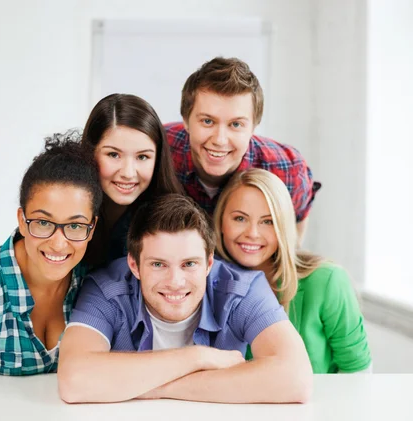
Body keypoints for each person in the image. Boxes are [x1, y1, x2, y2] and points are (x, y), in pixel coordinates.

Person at [57, 194, 312, 404]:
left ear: (209, 263)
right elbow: (73, 380)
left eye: (189, 264)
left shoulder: (243, 290)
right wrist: (197, 357)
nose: (175, 282)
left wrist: (151, 388)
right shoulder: (106, 288)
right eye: (158, 264)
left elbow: (296, 378)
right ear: (134, 265)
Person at [0, 133, 103, 375]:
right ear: (22, 222)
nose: (59, 244)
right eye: (43, 223)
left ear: (92, 229)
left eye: (75, 226)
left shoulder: (96, 284)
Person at [213, 168, 372, 374]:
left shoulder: (326, 281)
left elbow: (357, 372)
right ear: (221, 222)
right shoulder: (205, 284)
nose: (252, 233)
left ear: (284, 226)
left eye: (267, 222)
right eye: (240, 218)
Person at [165, 57, 319, 243]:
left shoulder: (287, 169)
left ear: (253, 127)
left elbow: (294, 232)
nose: (220, 140)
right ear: (186, 120)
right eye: (207, 121)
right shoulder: (157, 149)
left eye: (236, 124)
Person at [81, 93, 184, 268]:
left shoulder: (172, 220)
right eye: (113, 154)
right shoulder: (67, 203)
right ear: (91, 152)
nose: (128, 173)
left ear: (157, 159)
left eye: (142, 157)